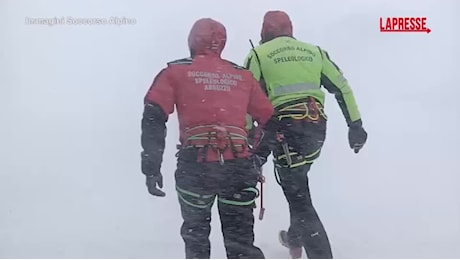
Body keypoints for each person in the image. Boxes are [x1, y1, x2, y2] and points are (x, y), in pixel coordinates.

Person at [140, 18, 275, 259]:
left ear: (192, 41)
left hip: (196, 166)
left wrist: (151, 165)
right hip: (238, 167)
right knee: (241, 243)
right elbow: (271, 123)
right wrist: (256, 158)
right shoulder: (242, 76)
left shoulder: (175, 71)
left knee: (196, 239)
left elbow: (153, 116)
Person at [244, 11, 368, 259]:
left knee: (300, 199)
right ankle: (295, 238)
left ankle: (320, 253)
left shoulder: (258, 54)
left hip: (284, 132)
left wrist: (248, 137)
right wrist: (355, 126)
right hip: (315, 131)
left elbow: (246, 97)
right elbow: (342, 87)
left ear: (264, 32)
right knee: (298, 182)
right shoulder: (315, 52)